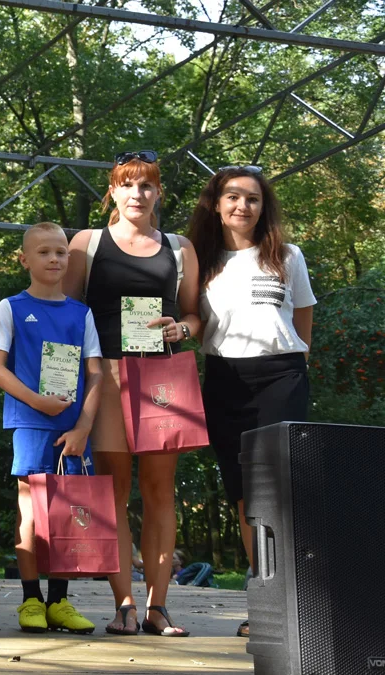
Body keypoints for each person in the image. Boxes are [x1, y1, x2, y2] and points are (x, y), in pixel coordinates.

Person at [64, 150, 201, 638]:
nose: (137, 194)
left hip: (164, 381)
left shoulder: (180, 248)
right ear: (113, 192)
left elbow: (193, 316)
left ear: (158, 193)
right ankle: (123, 604)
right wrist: (62, 386)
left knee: (161, 492)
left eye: (147, 186)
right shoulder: (88, 243)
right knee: (112, 493)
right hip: (107, 378)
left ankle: (158, 607)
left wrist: (180, 331)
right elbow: (65, 312)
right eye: (128, 185)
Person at [186, 166, 315, 638]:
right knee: (244, 497)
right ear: (216, 205)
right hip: (223, 380)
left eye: (253, 199)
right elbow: (191, 319)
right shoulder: (199, 260)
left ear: (264, 207)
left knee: (280, 494)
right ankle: (263, 604)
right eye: (233, 197)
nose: (243, 206)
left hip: (281, 376)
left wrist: (296, 361)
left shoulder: (287, 255)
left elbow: (303, 315)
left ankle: (298, 606)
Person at [0, 222, 103, 635]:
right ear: (24, 260)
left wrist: (84, 427)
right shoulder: (11, 307)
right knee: (31, 512)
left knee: (68, 516)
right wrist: (35, 402)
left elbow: (96, 374)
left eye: (60, 252)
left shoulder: (81, 313)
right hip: (31, 425)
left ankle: (60, 601)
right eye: (44, 252)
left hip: (72, 433)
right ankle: (30, 599)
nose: (54, 259)